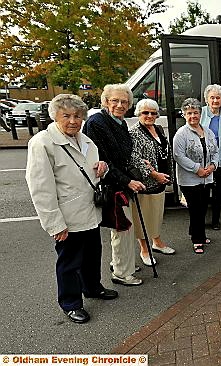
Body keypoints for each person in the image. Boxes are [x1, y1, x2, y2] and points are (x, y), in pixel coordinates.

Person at [26, 94, 118, 324]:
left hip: (90, 212)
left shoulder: (85, 140)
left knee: (92, 255)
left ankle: (93, 287)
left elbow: (93, 171)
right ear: (55, 116)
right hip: (67, 217)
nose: (73, 121)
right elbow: (41, 188)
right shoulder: (43, 143)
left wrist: (103, 168)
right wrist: (55, 224)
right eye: (66, 115)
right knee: (69, 263)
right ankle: (70, 303)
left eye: (77, 116)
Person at [83, 84, 146, 286]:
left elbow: (124, 155)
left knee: (122, 228)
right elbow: (102, 160)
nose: (120, 105)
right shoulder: (96, 123)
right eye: (115, 101)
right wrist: (128, 180)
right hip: (112, 184)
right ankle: (122, 272)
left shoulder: (120, 122)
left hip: (121, 182)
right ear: (106, 102)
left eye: (124, 102)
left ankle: (121, 262)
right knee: (122, 227)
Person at [129, 99, 175, 267]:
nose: (149, 116)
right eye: (145, 113)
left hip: (161, 182)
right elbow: (134, 159)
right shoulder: (134, 133)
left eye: (153, 113)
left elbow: (164, 150)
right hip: (146, 183)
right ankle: (144, 249)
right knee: (144, 218)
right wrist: (154, 174)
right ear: (138, 114)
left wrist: (166, 175)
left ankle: (157, 242)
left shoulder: (158, 128)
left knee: (156, 215)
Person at [174, 98, 219, 254]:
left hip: (207, 177)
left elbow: (215, 151)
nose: (193, 116)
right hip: (190, 179)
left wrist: (213, 165)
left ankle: (198, 233)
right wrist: (197, 169)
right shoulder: (181, 134)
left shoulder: (208, 131)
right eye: (189, 113)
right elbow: (178, 156)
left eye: (195, 112)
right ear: (184, 115)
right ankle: (197, 240)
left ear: (200, 114)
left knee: (203, 208)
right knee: (195, 210)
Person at [200, 84, 221, 230]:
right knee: (201, 192)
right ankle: (200, 221)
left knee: (218, 192)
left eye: (218, 98)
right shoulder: (200, 113)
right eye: (212, 97)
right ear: (207, 99)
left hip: (219, 161)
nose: (215, 100)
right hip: (202, 161)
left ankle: (215, 221)